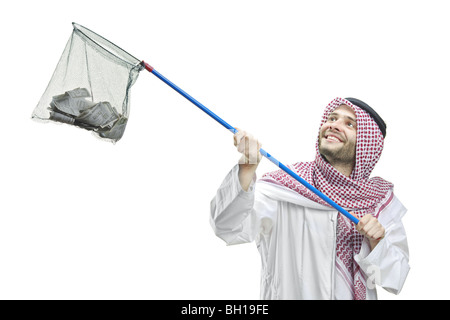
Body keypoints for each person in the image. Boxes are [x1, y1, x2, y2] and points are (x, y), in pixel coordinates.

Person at [210, 97, 409, 300]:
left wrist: (377, 244)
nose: (334, 125)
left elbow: (396, 279)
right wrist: (246, 168)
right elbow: (227, 227)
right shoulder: (284, 188)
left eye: (349, 123)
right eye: (332, 118)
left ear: (369, 145)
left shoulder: (379, 202)